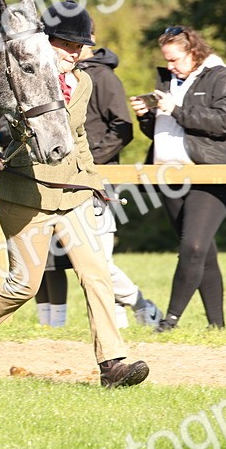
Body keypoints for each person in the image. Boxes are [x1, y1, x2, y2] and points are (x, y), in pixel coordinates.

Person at [0, 0, 150, 388]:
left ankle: (112, 364)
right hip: (26, 194)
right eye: (66, 45)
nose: (75, 53)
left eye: (79, 46)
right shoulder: (23, 76)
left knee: (97, 274)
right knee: (25, 284)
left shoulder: (85, 82)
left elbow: (79, 138)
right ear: (46, 41)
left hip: (73, 193)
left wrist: (94, 182)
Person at [34, 24, 163, 330]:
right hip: (58, 177)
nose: (71, 48)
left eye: (76, 42)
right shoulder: (55, 73)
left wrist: (86, 161)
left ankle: (140, 305)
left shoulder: (102, 77)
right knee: (58, 257)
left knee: (98, 260)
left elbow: (123, 128)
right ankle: (69, 323)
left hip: (94, 177)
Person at [130, 25, 226, 332]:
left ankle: (170, 321)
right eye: (166, 60)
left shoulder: (224, 78)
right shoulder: (172, 82)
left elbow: (224, 122)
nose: (169, 66)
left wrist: (177, 109)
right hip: (169, 175)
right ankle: (217, 326)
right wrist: (147, 117)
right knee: (202, 250)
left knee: (193, 247)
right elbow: (166, 133)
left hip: (210, 173)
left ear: (194, 52)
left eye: (174, 59)